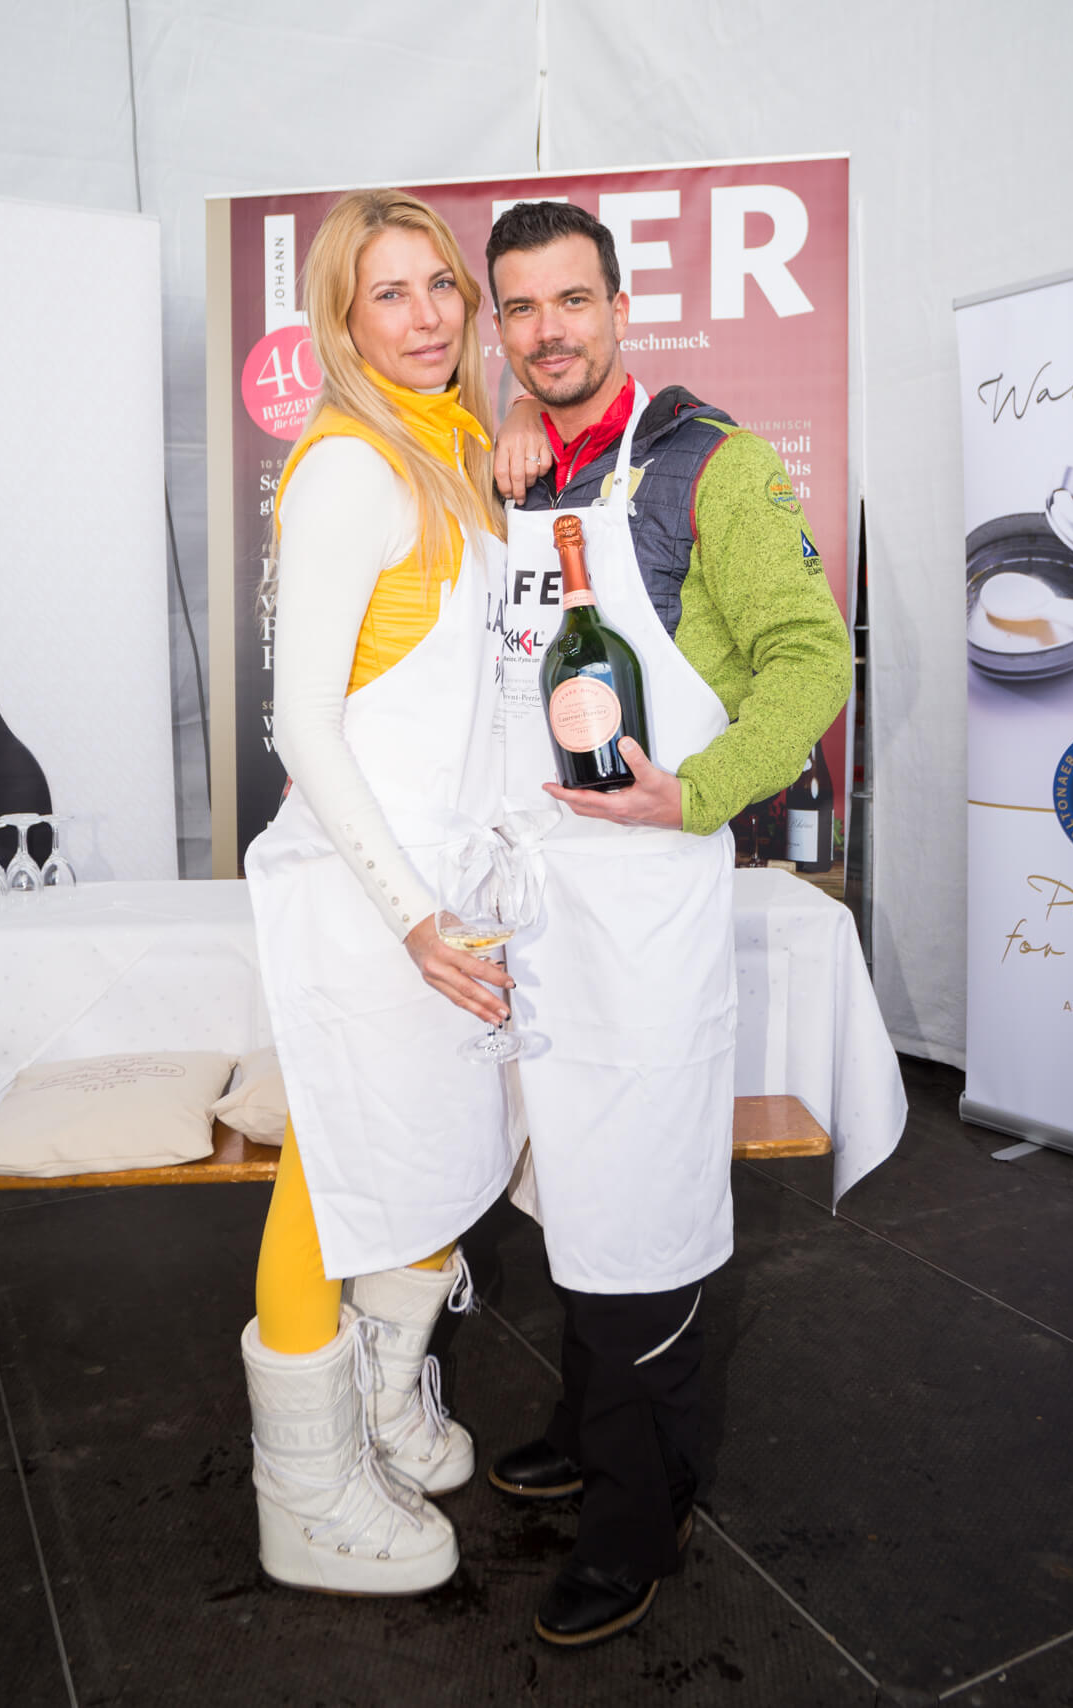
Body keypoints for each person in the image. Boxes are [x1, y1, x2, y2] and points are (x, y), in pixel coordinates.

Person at [483, 200, 853, 1647]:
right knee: (571, 1173)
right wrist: (509, 430)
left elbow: (811, 660)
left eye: (573, 301)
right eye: (522, 310)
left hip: (645, 902)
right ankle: (588, 1426)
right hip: (540, 905)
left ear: (622, 307)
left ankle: (644, 1510)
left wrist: (695, 792)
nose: (550, 332)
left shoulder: (715, 466)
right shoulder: (516, 465)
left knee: (646, 1191)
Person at [241, 189, 546, 1598]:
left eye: (441, 287)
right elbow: (303, 723)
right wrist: (411, 914)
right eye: (389, 294)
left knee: (433, 1145)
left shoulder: (455, 446)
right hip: (371, 893)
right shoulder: (350, 467)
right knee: (335, 1167)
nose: (425, 318)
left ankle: (381, 1398)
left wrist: (516, 415)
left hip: (451, 878)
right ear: (343, 321)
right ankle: (302, 1491)